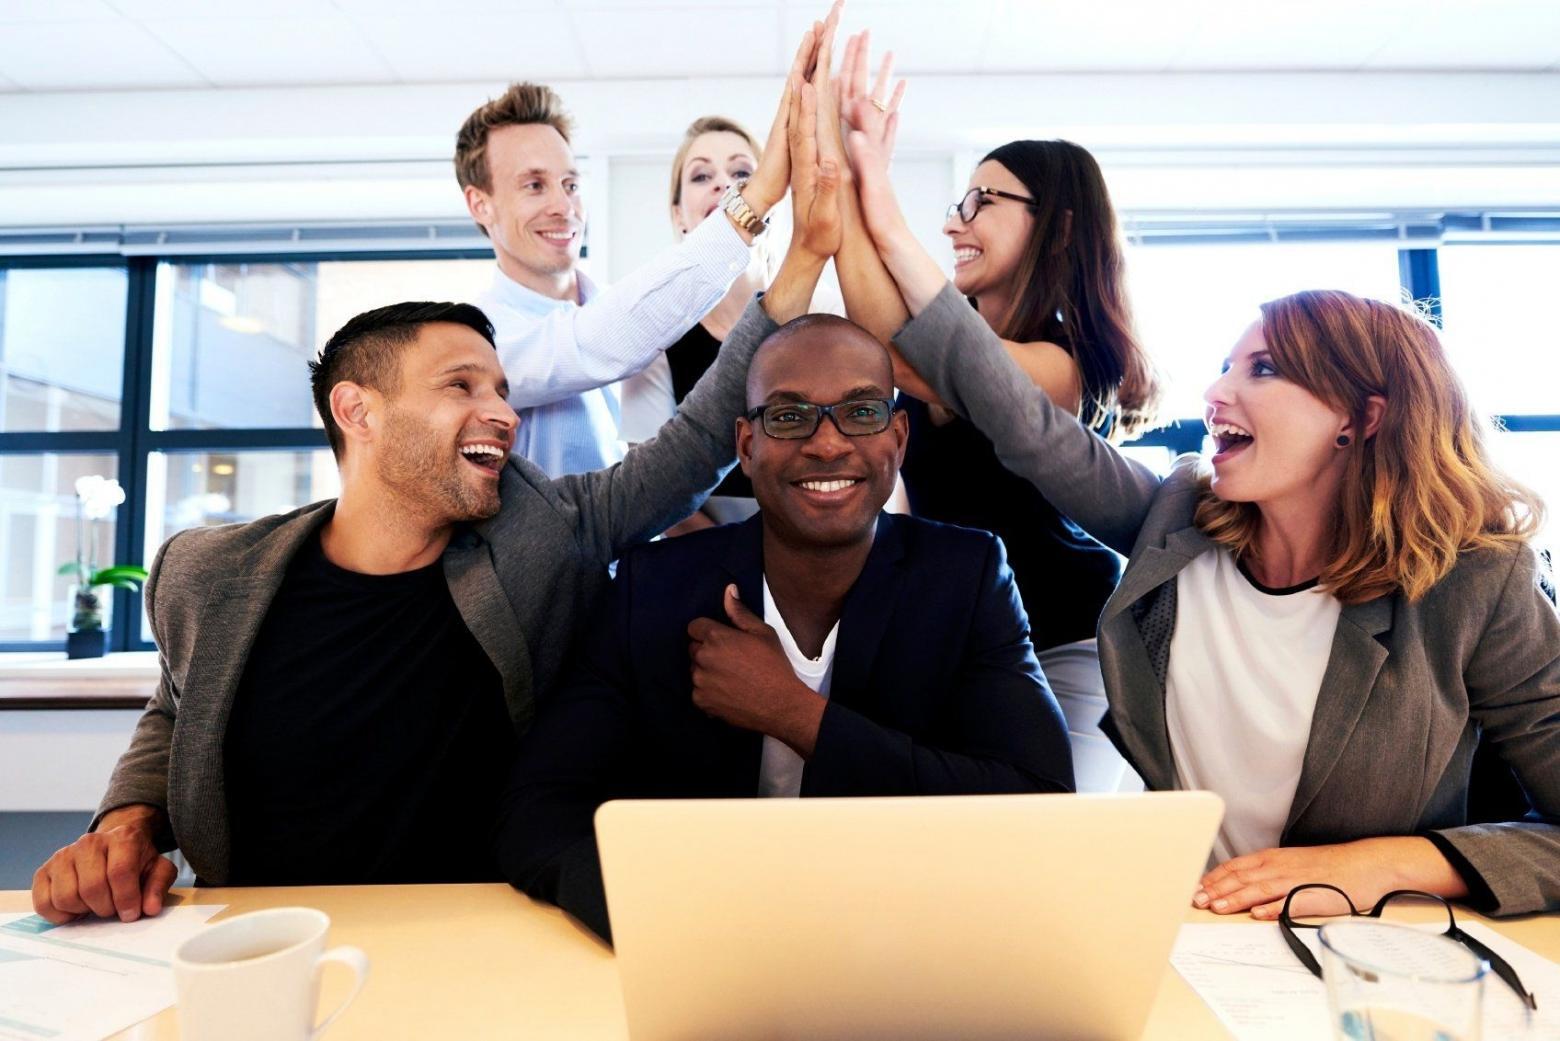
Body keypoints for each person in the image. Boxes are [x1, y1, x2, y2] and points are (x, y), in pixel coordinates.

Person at [28, 21, 835, 926]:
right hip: (256, 948)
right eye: (464, 387)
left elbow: (682, 450)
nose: (502, 411)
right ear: (357, 412)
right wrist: (129, 819)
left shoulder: (535, 540)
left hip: (469, 936)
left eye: (569, 182)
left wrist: (801, 261)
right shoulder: (211, 571)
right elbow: (179, 703)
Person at [840, 65, 1560, 918]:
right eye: (1224, 366)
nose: (1217, 395)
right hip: (1194, 937)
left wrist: (1386, 864)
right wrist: (860, 199)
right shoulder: (1173, 521)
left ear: (1360, 418)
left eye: (1262, 370)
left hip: (1379, 957)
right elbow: (1022, 421)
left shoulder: (1476, 585)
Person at [493, 53, 1073, 942]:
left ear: (899, 436)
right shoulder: (653, 589)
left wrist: (796, 714)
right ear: (745, 441)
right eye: (792, 414)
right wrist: (684, 922)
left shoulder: (965, 580)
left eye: (860, 412)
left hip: (905, 948)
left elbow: (1038, 804)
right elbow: (538, 813)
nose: (829, 440)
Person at [827, 36, 1161, 791]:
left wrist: (868, 188)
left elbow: (933, 360)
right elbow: (881, 342)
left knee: (1051, 842)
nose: (956, 223)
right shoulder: (944, 353)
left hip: (1066, 646)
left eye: (985, 201)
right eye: (959, 201)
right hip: (959, 639)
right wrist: (843, 170)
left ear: (1061, 227)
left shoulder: (1071, 363)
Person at [456, 82, 780, 477]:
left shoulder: (621, 315)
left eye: (571, 185)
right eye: (534, 186)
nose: (564, 207)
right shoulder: (477, 342)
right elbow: (596, 343)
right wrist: (750, 205)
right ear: (480, 203)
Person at [618, 116, 770, 533]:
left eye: (742, 172)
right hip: (700, 562)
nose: (724, 183)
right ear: (678, 215)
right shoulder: (655, 340)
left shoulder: (813, 315)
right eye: (702, 175)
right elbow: (653, 494)